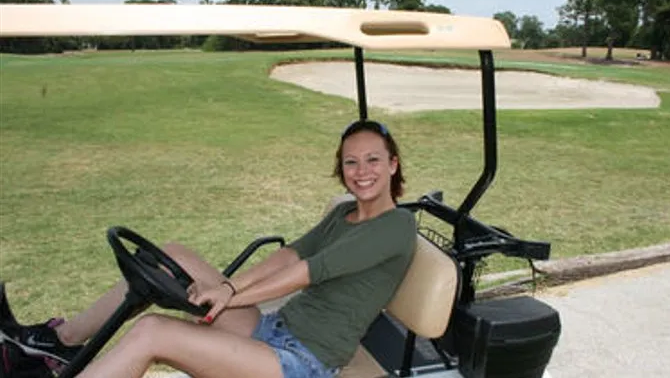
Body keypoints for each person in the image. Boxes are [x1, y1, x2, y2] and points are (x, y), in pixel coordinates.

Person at [0, 119, 416, 378]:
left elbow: (311, 270)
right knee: (173, 255)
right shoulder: (345, 213)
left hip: (301, 362)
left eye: (373, 160)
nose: (362, 172)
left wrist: (230, 294)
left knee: (150, 332)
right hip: (274, 331)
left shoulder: (397, 226)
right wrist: (229, 288)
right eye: (351, 162)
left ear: (393, 164)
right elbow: (287, 256)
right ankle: (60, 342)